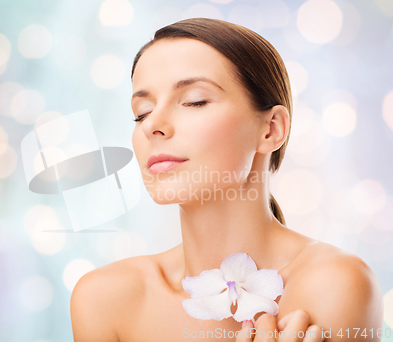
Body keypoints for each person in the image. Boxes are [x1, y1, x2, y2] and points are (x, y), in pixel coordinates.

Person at [70, 18, 384, 341]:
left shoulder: (334, 285)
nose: (152, 126)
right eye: (143, 112)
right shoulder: (105, 300)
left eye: (195, 101)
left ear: (271, 129)